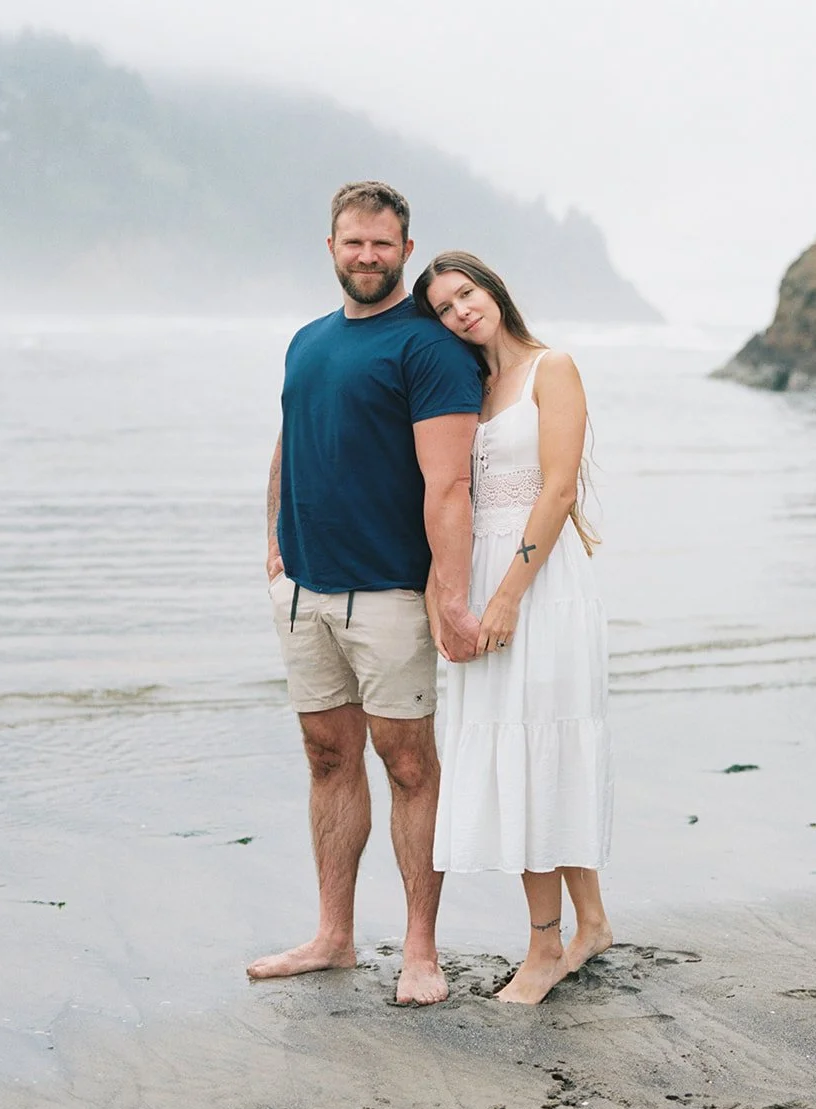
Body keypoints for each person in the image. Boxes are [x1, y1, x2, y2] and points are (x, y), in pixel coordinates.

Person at [246, 183, 483, 1006]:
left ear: (407, 251)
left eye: (384, 245)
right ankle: (334, 937)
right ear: (331, 247)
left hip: (388, 593)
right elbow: (290, 436)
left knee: (408, 762)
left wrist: (447, 596)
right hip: (306, 591)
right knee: (326, 756)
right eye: (354, 243)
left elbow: (449, 484)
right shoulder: (307, 341)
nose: (368, 257)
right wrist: (274, 532)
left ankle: (420, 950)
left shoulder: (429, 348)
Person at [413, 251, 614, 1005]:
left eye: (467, 293)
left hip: (541, 584)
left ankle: (543, 948)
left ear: (493, 291)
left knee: (540, 748)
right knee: (529, 745)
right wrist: (446, 592)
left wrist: (505, 598)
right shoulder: (469, 386)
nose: (461, 310)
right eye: (443, 307)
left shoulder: (549, 367)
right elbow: (447, 491)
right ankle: (591, 921)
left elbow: (558, 488)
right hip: (481, 578)